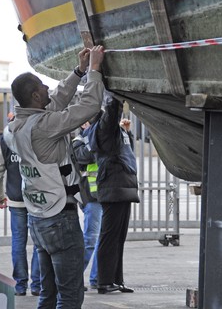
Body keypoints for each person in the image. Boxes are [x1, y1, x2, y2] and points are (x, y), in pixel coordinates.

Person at [3, 46, 105, 309]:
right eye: (42, 86)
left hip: (38, 217)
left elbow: (55, 101)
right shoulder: (44, 127)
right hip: (60, 219)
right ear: (36, 96)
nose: (48, 88)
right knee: (70, 296)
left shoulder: (15, 128)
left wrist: (78, 72)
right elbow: (89, 105)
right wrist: (94, 70)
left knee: (48, 295)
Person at [84, 91, 140, 294]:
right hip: (114, 186)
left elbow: (125, 151)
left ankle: (116, 279)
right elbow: (111, 112)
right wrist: (113, 93)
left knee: (118, 236)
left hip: (122, 186)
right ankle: (105, 281)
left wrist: (127, 132)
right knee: (110, 236)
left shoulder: (112, 131)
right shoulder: (103, 129)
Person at [0, 130, 40, 297]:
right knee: (39, 243)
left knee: (18, 242)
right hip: (37, 199)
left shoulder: (6, 138)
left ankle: (20, 285)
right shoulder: (37, 134)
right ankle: (37, 285)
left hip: (15, 198)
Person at [72, 121, 102, 291]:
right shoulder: (78, 141)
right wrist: (94, 137)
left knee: (102, 240)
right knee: (90, 239)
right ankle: (74, 278)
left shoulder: (101, 138)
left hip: (106, 195)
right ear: (83, 124)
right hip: (90, 197)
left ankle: (98, 278)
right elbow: (88, 156)